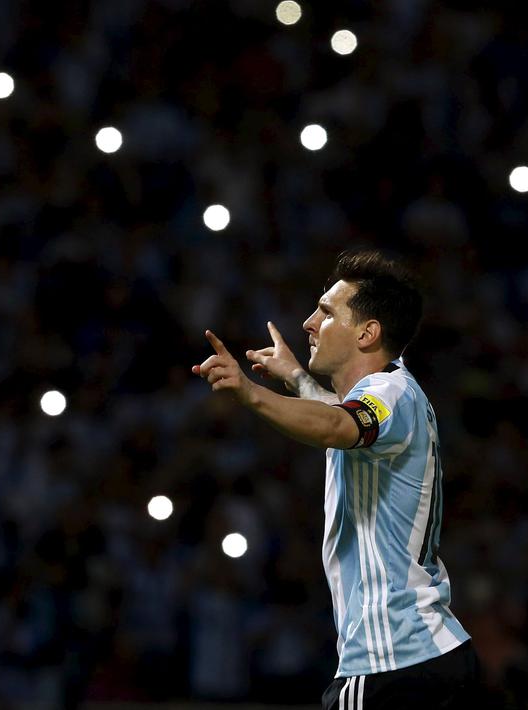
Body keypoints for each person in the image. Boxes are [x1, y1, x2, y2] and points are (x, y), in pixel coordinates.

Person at [191, 248, 480, 709]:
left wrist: (250, 392)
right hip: (430, 658)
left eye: (326, 313)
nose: (308, 323)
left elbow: (337, 427)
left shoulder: (390, 391)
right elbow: (345, 415)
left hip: (391, 664)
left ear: (367, 332)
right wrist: (296, 378)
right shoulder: (394, 394)